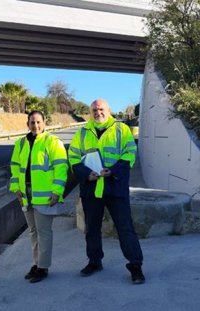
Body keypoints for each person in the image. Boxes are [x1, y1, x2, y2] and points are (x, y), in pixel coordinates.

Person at [67, 99, 146, 284]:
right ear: (90, 112)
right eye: (94, 110)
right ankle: (94, 261)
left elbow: (129, 154)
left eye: (101, 109)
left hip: (115, 186)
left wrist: (113, 171)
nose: (98, 112)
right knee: (92, 229)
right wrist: (87, 175)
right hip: (92, 188)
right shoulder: (82, 132)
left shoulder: (121, 130)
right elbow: (73, 157)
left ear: (108, 111)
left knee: (125, 228)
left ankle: (135, 266)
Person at [9, 111, 68, 283]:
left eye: (38, 122)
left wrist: (57, 191)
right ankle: (36, 264)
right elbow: (14, 168)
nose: (35, 125)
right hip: (26, 195)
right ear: (27, 123)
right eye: (32, 122)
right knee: (33, 232)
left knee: (44, 233)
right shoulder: (21, 144)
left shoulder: (52, 142)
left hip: (44, 197)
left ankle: (43, 267)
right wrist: (15, 188)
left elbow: (61, 168)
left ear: (44, 123)